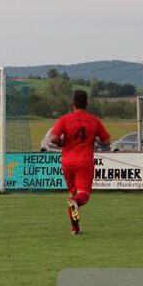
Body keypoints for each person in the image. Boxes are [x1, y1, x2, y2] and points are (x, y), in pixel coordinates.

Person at [49, 90, 110, 235]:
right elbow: (107, 141)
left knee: (73, 194)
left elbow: (53, 138)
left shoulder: (65, 119)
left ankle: (75, 228)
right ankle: (76, 204)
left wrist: (61, 142)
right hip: (84, 161)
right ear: (87, 104)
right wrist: (95, 139)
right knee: (83, 195)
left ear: (73, 104)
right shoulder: (94, 121)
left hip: (67, 162)